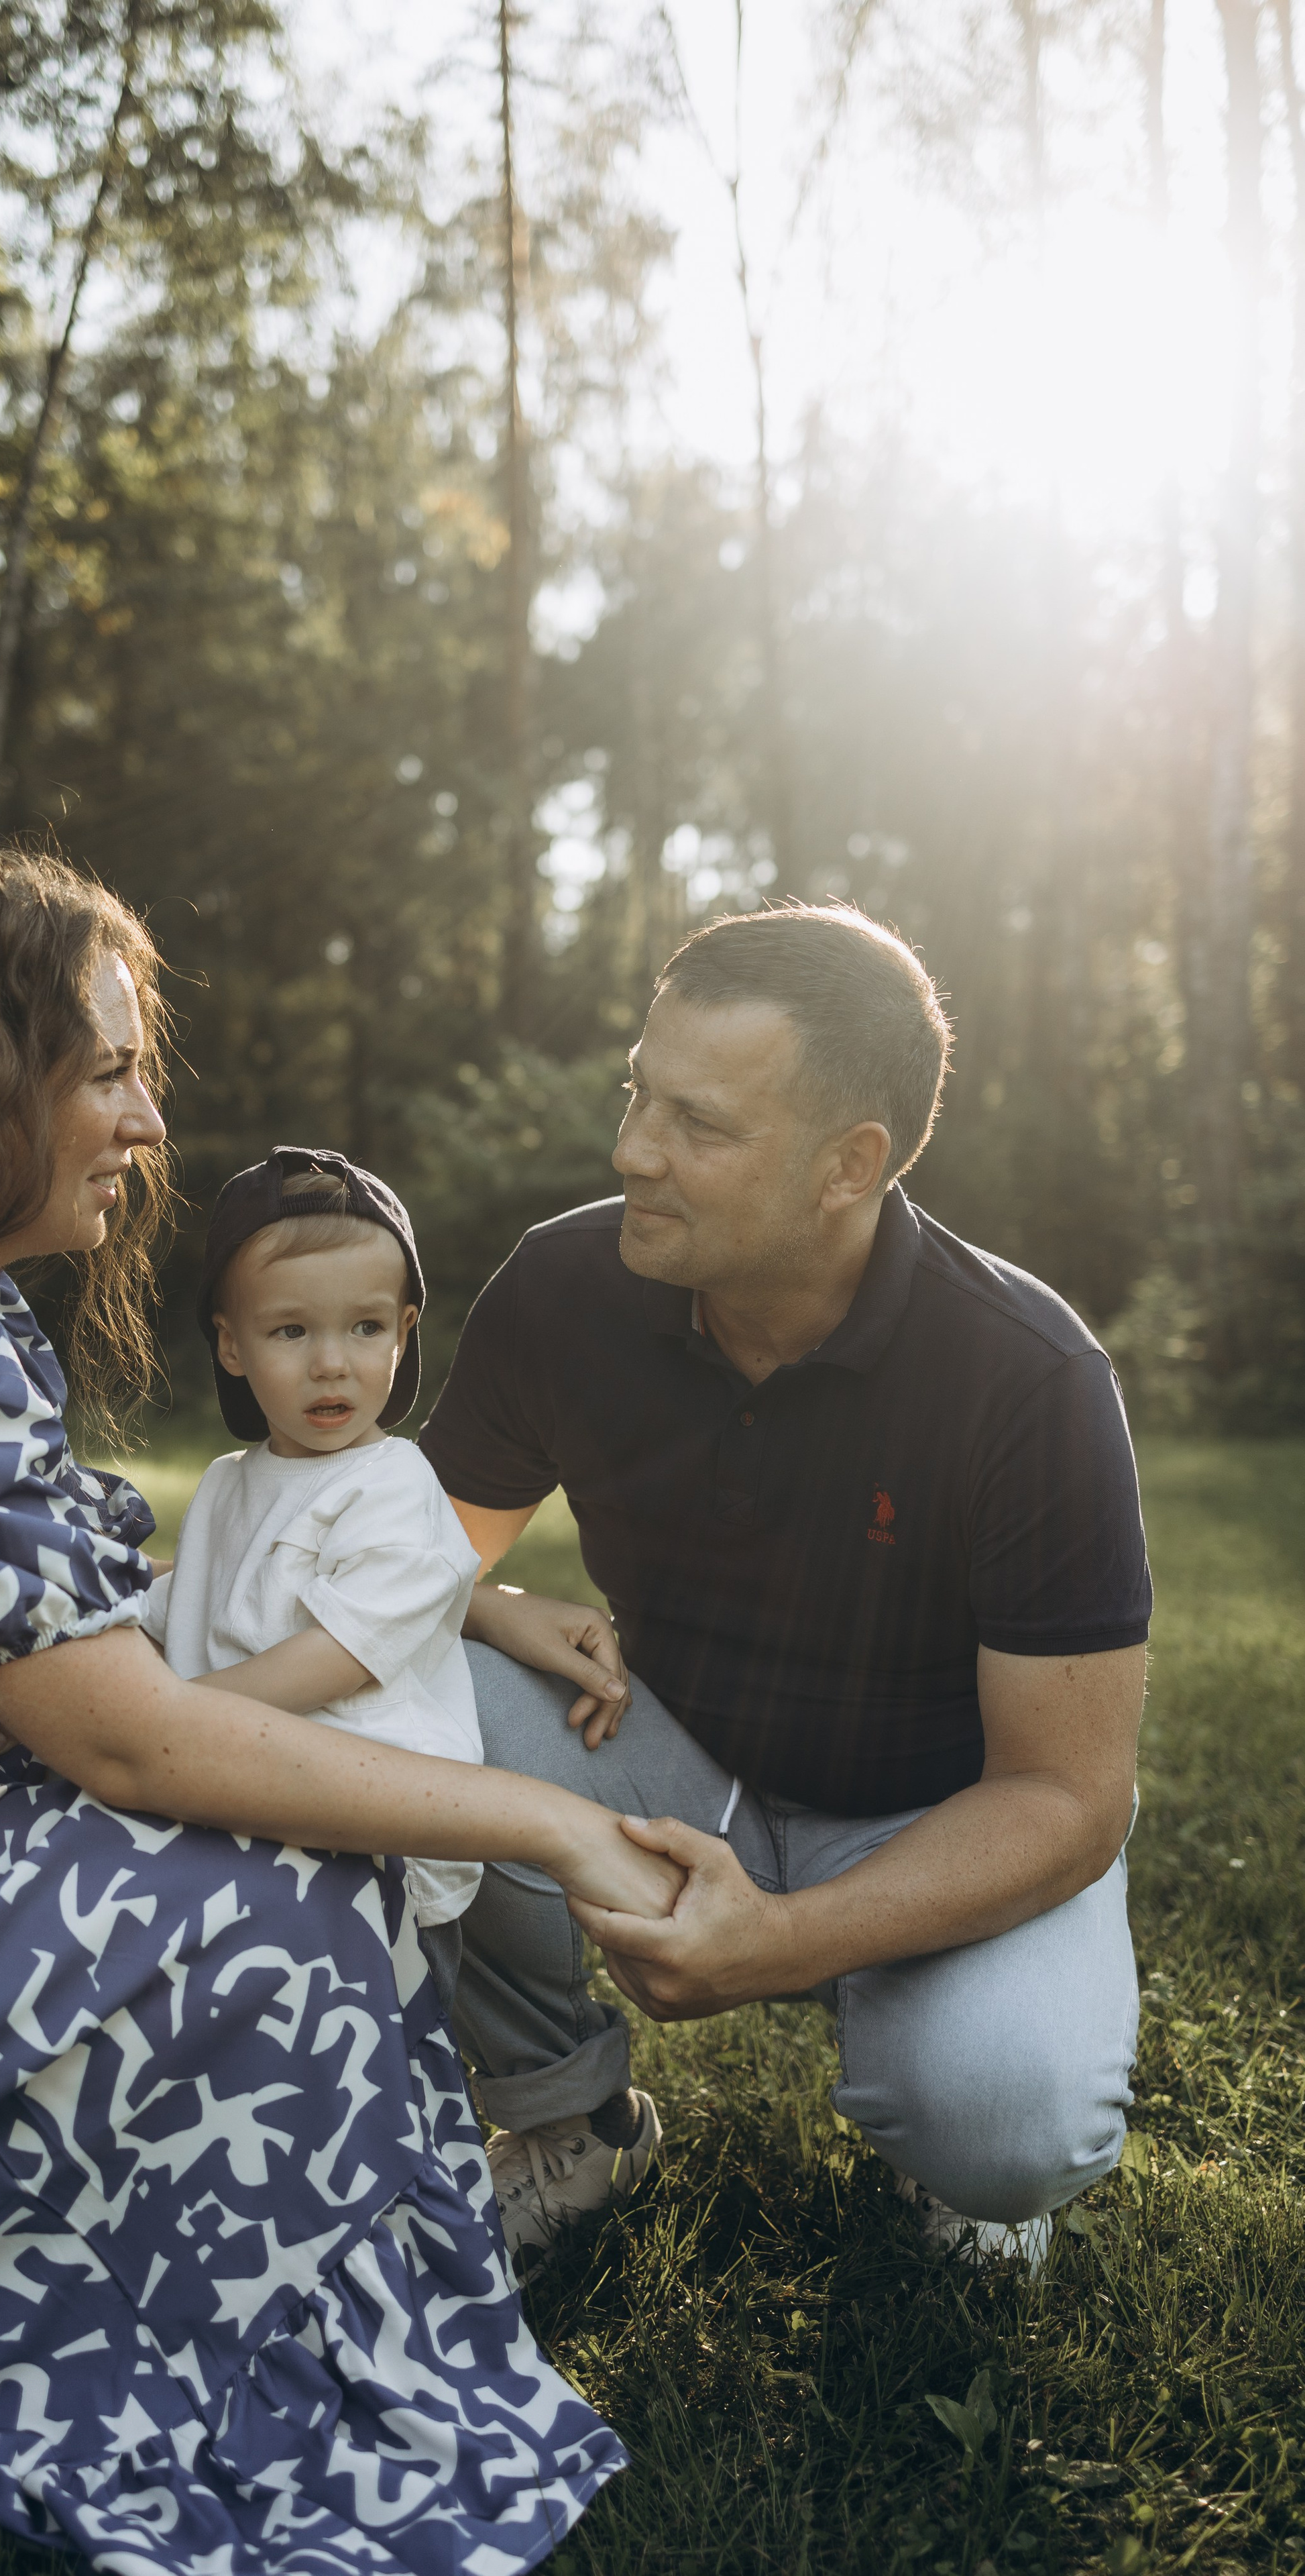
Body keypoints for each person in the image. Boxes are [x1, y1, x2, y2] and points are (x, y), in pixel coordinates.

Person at [0, 845, 683, 2576]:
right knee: (292, 1902)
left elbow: (79, 1651)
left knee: (286, 1872)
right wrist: (552, 1821)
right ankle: (169, 2366)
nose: (148, 1121)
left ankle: (191, 2305)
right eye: (107, 1070)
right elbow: (129, 1735)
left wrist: (476, 1601)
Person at [420, 903, 1151, 2272]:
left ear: (845, 1166)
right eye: (638, 1094)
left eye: (697, 1125)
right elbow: (403, 1566)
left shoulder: (1024, 1378)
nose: (632, 1149)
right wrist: (494, 1606)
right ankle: (567, 2124)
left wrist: (778, 1942)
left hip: (936, 1813)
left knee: (1006, 2133)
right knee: (391, 1691)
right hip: (664, 1760)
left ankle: (937, 2069)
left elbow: (1067, 1794)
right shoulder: (561, 1288)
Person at [144, 1146, 485, 2011]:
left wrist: (176, 1721)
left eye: (366, 1329)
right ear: (231, 1344)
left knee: (383, 2033)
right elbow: (196, 1603)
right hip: (245, 1797)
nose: (332, 1363)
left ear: (405, 1333)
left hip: (378, 1830)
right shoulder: (229, 1482)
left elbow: (337, 1658)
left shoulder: (395, 1487)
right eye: (292, 1331)